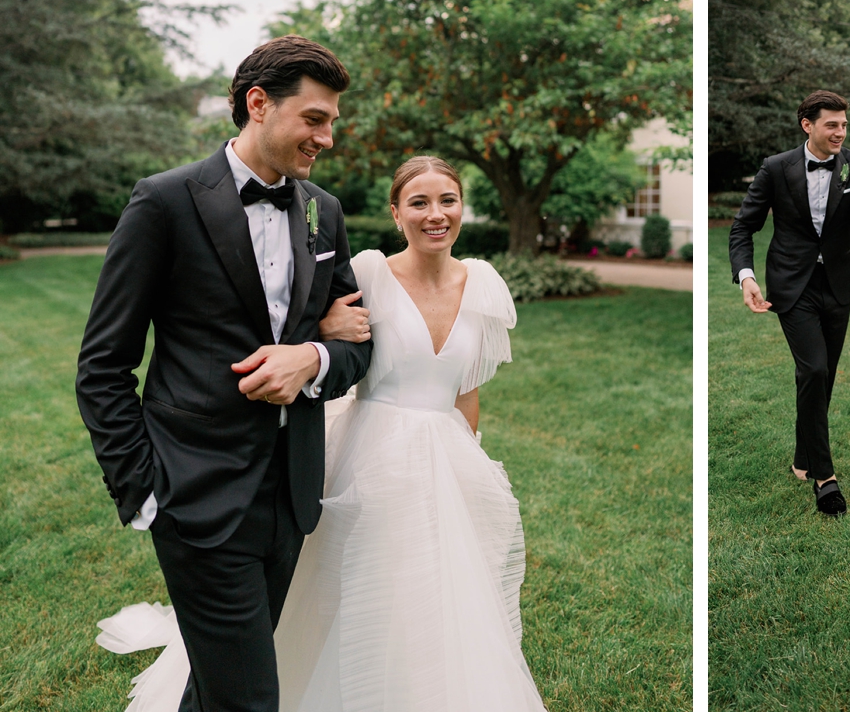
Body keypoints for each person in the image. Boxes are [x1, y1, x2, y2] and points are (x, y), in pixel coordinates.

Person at [98, 156, 547, 711]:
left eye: (448, 200)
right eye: (420, 202)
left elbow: (466, 387)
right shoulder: (372, 272)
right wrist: (324, 332)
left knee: (433, 604)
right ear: (395, 213)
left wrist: (466, 464)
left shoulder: (481, 281)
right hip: (370, 455)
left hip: (446, 459)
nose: (437, 214)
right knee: (335, 597)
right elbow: (300, 323)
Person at [77, 36, 374, 711]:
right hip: (195, 494)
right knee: (248, 697)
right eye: (316, 118)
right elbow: (103, 363)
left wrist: (315, 357)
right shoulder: (164, 202)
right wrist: (143, 491)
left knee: (221, 683)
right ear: (258, 104)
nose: (328, 136)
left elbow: (360, 341)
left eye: (333, 121)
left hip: (291, 495)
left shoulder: (324, 211)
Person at [728, 90, 850, 515]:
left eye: (844, 125)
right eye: (832, 124)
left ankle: (802, 456)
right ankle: (825, 478)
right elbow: (743, 228)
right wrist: (747, 276)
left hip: (839, 281)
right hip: (792, 285)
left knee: (822, 377)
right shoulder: (776, 168)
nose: (840, 132)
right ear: (807, 125)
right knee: (812, 367)